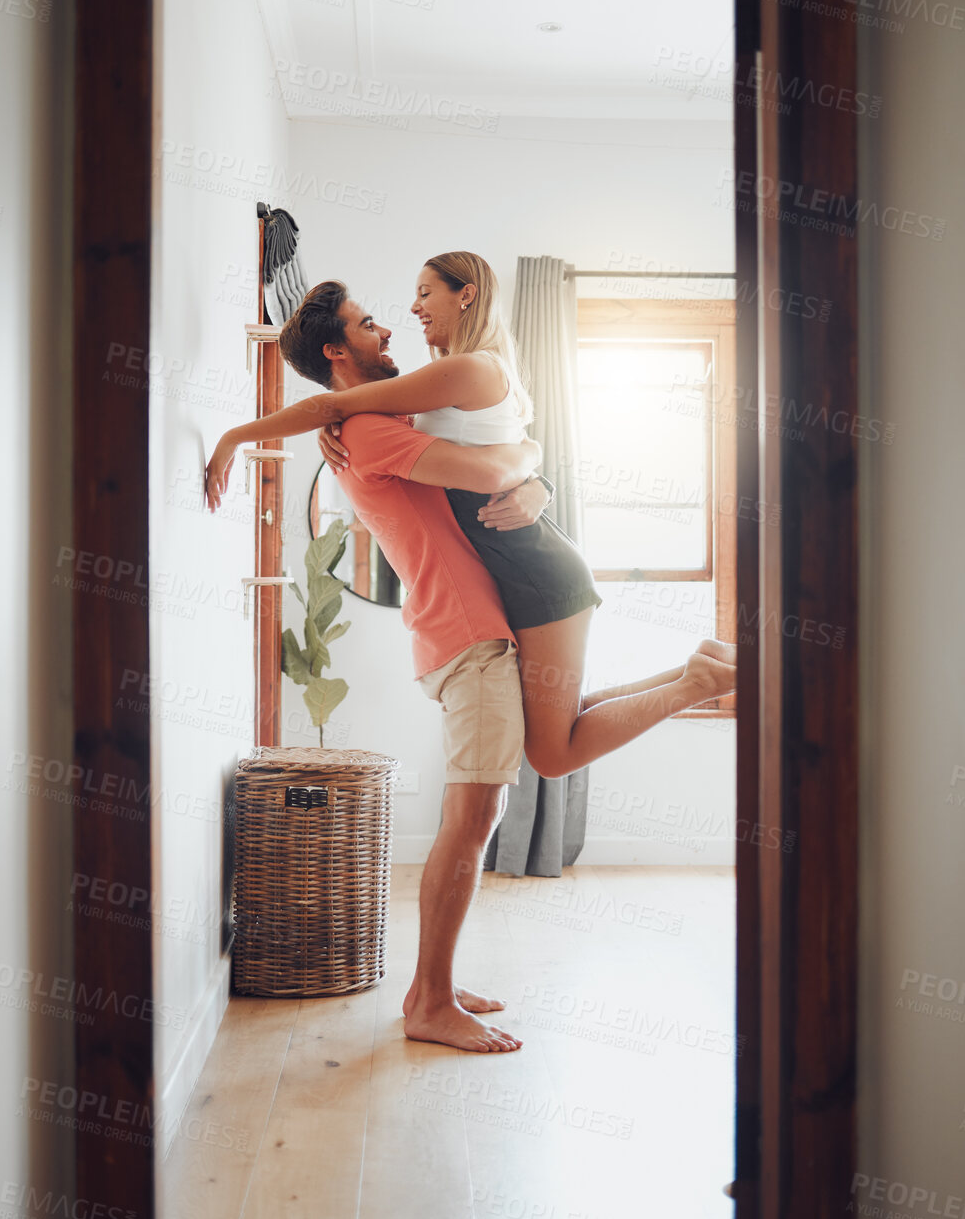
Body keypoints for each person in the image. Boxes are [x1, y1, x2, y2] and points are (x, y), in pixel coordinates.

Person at [206, 255, 736, 781]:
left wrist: (243, 436)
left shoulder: (462, 369)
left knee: (553, 754)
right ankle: (699, 672)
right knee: (558, 728)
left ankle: (697, 683)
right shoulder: (434, 386)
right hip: (521, 567)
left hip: (537, 569)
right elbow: (511, 443)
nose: (409, 312)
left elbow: (509, 452)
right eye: (374, 320)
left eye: (425, 293)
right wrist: (338, 418)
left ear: (466, 295)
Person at [209, 282, 541, 1053]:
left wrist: (532, 466)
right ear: (335, 350)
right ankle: (427, 1000)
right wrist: (528, 456)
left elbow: (491, 461)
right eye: (365, 322)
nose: (387, 325)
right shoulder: (369, 427)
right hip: (467, 631)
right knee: (470, 822)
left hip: (459, 629)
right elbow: (496, 472)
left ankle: (437, 981)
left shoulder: (374, 420)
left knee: (473, 819)